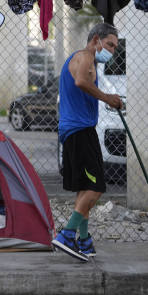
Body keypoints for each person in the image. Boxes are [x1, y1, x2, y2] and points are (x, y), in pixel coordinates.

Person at [52, 23, 123, 262]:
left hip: (76, 130)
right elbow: (81, 82)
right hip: (79, 130)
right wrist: (108, 98)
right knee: (97, 187)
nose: (112, 51)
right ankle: (67, 235)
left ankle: (83, 240)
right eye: (110, 45)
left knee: (85, 186)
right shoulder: (84, 56)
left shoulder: (86, 59)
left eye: (115, 47)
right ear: (96, 40)